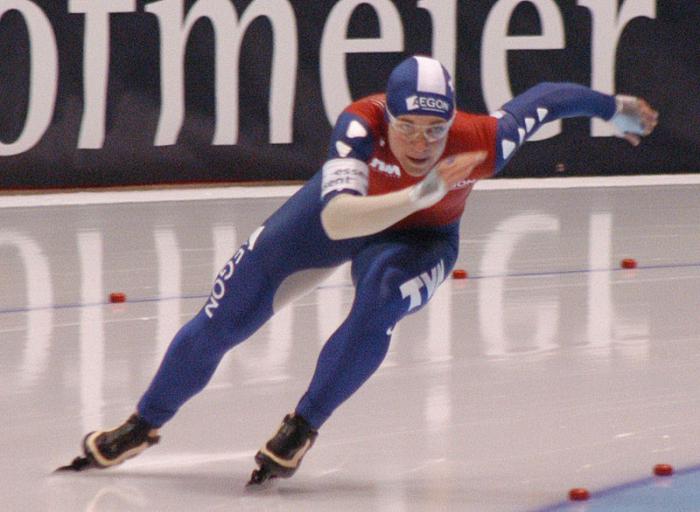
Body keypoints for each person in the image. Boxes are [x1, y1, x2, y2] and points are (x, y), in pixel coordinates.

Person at [57, 55, 658, 483]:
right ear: (387, 116)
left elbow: (549, 98)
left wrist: (616, 108)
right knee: (225, 316)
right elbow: (341, 220)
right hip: (350, 214)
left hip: (421, 241)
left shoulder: (485, 139)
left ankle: (304, 424)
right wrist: (419, 193)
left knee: (379, 303)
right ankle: (143, 422)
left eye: (434, 130)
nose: (421, 143)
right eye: (408, 127)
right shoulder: (359, 125)